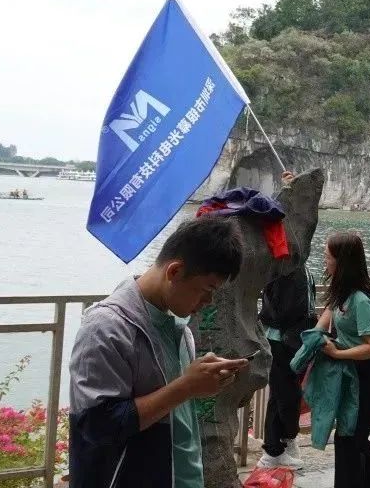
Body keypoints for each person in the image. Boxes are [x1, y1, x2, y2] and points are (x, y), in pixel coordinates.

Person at [68, 216, 248, 488]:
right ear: (174, 272)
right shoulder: (106, 327)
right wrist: (185, 387)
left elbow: (175, 415)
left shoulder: (179, 328)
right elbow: (96, 426)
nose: (208, 302)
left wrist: (201, 382)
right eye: (207, 289)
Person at [315, 231, 370, 488]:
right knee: (352, 436)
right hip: (354, 368)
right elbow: (324, 320)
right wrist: (311, 340)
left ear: (342, 261)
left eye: (327, 256)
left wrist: (337, 353)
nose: (324, 260)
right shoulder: (341, 293)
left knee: (350, 436)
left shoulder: (361, 299)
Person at [256, 175, 317, 470]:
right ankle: (282, 442)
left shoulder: (297, 266)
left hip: (292, 337)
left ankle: (274, 448)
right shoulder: (282, 266)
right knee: (285, 392)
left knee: (281, 392)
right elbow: (280, 309)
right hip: (283, 338)